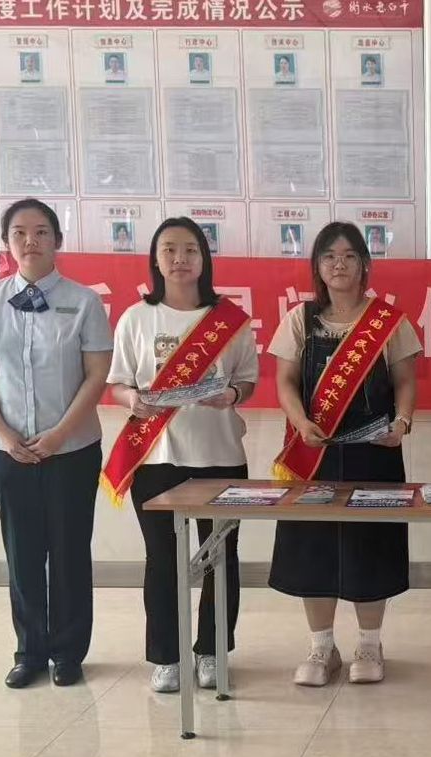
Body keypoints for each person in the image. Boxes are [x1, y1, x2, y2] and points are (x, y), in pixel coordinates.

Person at [0, 198, 113, 689]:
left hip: (72, 448)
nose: (31, 241)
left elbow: (96, 375)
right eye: (19, 232)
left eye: (42, 231)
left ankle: (68, 652)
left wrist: (60, 433)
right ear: (7, 242)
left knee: (69, 551)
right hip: (7, 450)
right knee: (21, 553)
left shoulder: (84, 301)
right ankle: (29, 652)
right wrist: (4, 435)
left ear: (57, 240)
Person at [105, 217, 259, 694]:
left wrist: (231, 395)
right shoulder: (136, 318)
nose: (180, 259)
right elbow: (117, 384)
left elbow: (248, 381)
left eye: (190, 249)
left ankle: (212, 651)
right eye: (169, 249)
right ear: (155, 260)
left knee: (221, 557)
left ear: (203, 258)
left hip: (220, 454)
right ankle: (167, 656)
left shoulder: (230, 320)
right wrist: (133, 401)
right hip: (156, 457)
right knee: (162, 559)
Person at [268, 221, 419, 686]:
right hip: (313, 452)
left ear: (364, 264)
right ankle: (322, 646)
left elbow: (406, 382)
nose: (340, 264)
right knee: (313, 546)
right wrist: (300, 422)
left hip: (375, 452)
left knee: (369, 545)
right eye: (330, 256)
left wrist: (402, 423)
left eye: (349, 255)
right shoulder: (300, 319)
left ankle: (370, 644)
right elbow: (285, 382)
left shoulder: (387, 321)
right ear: (317, 265)